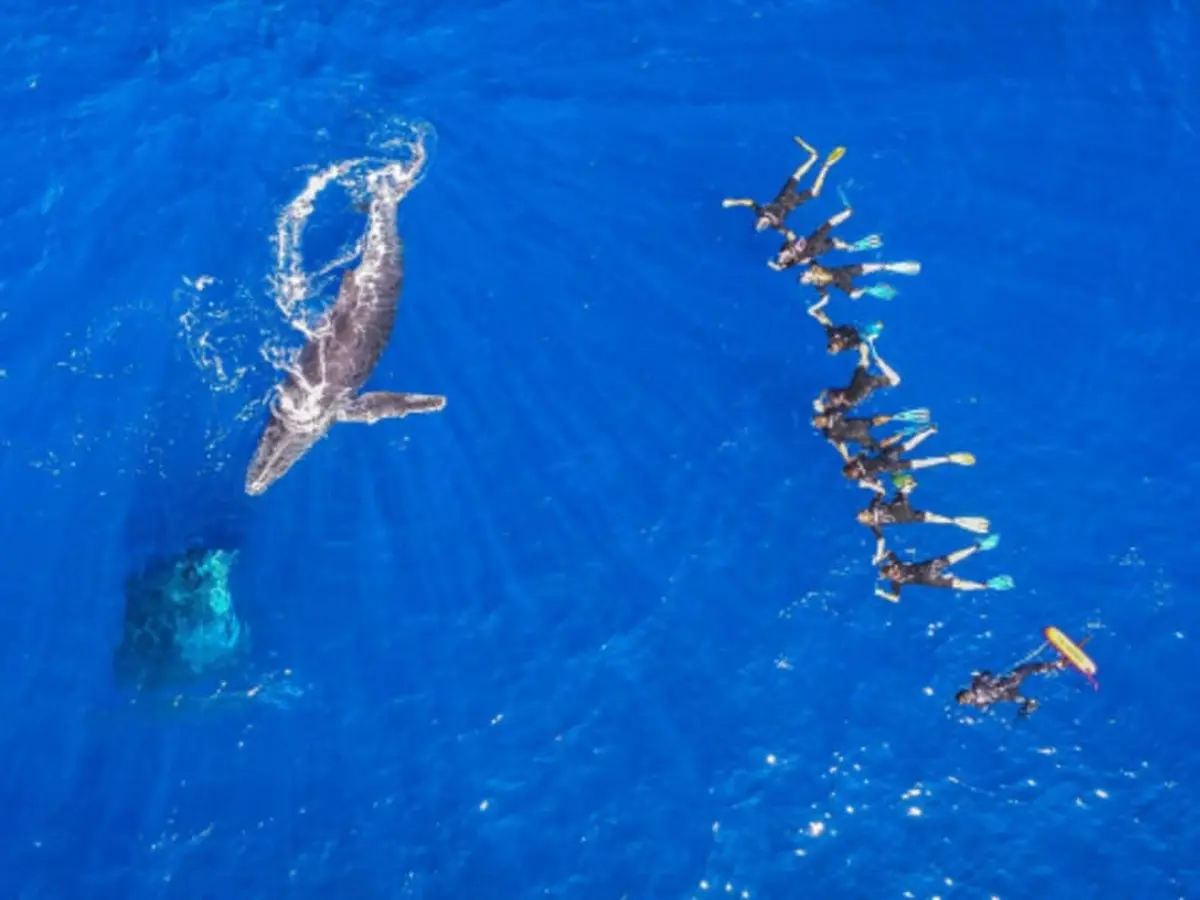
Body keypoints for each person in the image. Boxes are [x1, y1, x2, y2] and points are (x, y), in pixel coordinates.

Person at [722, 138, 845, 233]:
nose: (760, 222)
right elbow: (788, 233)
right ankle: (824, 167)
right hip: (794, 201)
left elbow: (749, 202)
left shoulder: (761, 212)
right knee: (812, 190)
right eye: (761, 224)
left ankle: (813, 158)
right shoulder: (777, 225)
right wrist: (793, 244)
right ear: (765, 225)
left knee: (797, 176)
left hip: (785, 194)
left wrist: (733, 202)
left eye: (758, 222)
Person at [856, 478, 991, 564]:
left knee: (927, 514)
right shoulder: (874, 518)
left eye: (862, 513)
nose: (864, 512)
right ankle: (955, 521)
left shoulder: (874, 519)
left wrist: (878, 556)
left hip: (906, 514)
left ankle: (955, 521)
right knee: (906, 495)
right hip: (904, 510)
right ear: (866, 518)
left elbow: (881, 541)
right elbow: (881, 491)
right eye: (863, 514)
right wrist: (869, 484)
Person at [874, 535, 1013, 603]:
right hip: (929, 567)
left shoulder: (896, 583)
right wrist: (879, 557)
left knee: (958, 584)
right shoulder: (896, 563)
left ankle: (986, 585)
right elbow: (890, 552)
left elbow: (896, 599)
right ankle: (977, 547)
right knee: (953, 557)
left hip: (929, 579)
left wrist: (881, 593)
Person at [842, 425, 977, 493]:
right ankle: (931, 432)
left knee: (917, 458)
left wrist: (876, 486)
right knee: (913, 451)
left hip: (889, 464)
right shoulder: (859, 465)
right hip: (888, 459)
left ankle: (944, 455)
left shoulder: (863, 477)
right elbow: (864, 452)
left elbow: (875, 484)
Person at [768, 206, 882, 271]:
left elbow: (790, 235)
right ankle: (850, 245)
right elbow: (783, 267)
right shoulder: (795, 260)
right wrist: (775, 266)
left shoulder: (785, 247)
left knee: (828, 226)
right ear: (786, 260)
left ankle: (847, 214)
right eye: (781, 258)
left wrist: (782, 230)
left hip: (814, 240)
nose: (780, 255)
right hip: (817, 248)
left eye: (779, 256)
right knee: (833, 239)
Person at [813, 339, 901, 415]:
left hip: (859, 383)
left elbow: (826, 391)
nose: (831, 401)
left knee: (864, 360)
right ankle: (863, 344)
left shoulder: (834, 396)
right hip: (864, 385)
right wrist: (882, 365)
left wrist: (819, 399)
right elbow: (896, 380)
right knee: (865, 361)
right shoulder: (842, 406)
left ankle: (862, 343)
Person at [955, 660, 1067, 717]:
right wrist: (979, 675)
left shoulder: (978, 703)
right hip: (1009, 684)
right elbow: (986, 674)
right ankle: (1057, 665)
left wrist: (980, 676)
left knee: (1021, 699)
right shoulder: (976, 686)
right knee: (1028, 668)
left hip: (1006, 694)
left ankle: (1029, 704)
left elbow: (986, 706)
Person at [813, 407, 931, 459]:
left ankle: (896, 424)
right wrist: (846, 456)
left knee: (877, 429)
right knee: (879, 439)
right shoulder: (831, 427)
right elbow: (840, 445)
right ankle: (898, 429)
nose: (819, 422)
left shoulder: (831, 422)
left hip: (859, 430)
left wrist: (846, 457)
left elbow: (840, 444)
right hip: (860, 432)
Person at [800, 259, 921, 304]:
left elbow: (809, 257)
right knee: (853, 295)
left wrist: (801, 259)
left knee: (870, 267)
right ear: (808, 280)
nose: (804, 274)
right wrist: (815, 307)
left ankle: (888, 266)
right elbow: (825, 298)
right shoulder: (818, 285)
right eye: (804, 278)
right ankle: (865, 289)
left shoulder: (814, 267)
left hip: (845, 271)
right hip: (842, 283)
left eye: (803, 275)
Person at [806, 303, 883, 355]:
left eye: (833, 343)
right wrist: (869, 339)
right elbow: (860, 344)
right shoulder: (848, 345)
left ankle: (817, 312)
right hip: (857, 334)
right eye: (837, 346)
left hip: (846, 329)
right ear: (839, 348)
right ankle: (875, 328)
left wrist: (815, 314)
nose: (836, 343)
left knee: (827, 324)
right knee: (866, 335)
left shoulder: (832, 335)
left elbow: (826, 324)